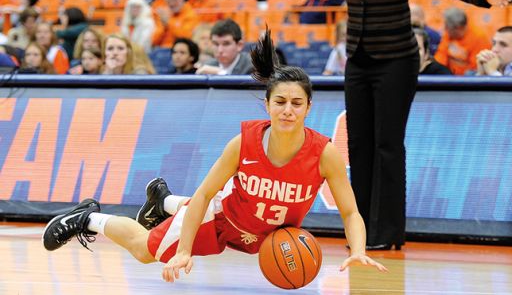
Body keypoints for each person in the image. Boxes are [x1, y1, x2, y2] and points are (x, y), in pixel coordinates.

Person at [250, 0, 509, 250]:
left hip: (397, 62)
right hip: (358, 61)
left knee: (387, 145)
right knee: (358, 146)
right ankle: (363, 231)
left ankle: (387, 233)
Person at [41, 29, 387, 281]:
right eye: (280, 102)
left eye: (297, 103)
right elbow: (206, 195)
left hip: (262, 234)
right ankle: (87, 218)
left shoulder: (323, 153)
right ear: (267, 104)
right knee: (146, 251)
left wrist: (358, 250)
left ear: (309, 107)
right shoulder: (243, 144)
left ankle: (164, 202)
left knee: (215, 212)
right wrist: (184, 251)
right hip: (220, 220)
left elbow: (350, 211)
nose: (288, 111)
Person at [435, 8, 491, 75]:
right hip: (450, 76)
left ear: (458, 28)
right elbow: (441, 56)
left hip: (468, 80)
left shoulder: (479, 38)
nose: (445, 29)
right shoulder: (448, 34)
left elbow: (475, 67)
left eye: (447, 28)